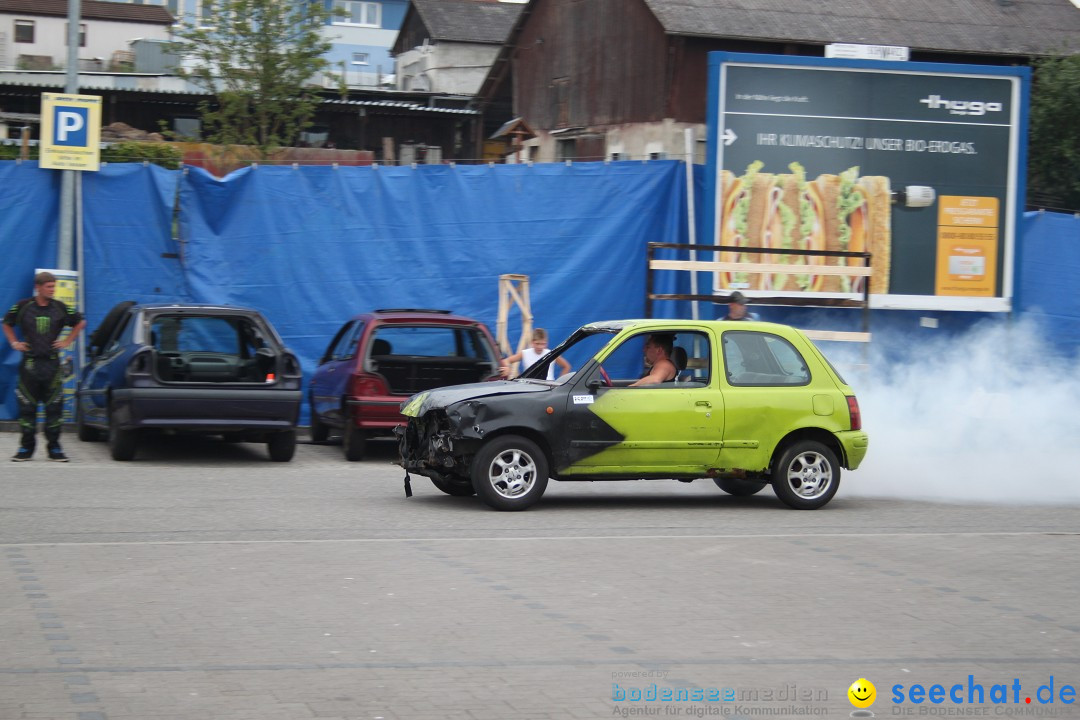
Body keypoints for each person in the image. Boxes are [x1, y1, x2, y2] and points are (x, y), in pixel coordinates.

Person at [3, 272, 86, 462]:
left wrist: (67, 340)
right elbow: (6, 323)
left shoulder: (60, 307)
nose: (52, 290)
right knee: (27, 409)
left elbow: (80, 321)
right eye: (49, 287)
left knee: (54, 409)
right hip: (30, 366)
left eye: (54, 287)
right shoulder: (24, 306)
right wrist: (14, 342)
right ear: (38, 287)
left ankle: (55, 449)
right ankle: (25, 449)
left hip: (52, 365)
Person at [500, 328, 571, 380]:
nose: (540, 347)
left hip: (548, 388)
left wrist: (559, 383)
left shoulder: (551, 354)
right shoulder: (525, 353)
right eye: (537, 344)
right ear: (532, 342)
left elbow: (566, 366)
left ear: (547, 343)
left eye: (543, 344)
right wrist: (507, 368)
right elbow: (506, 361)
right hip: (530, 388)